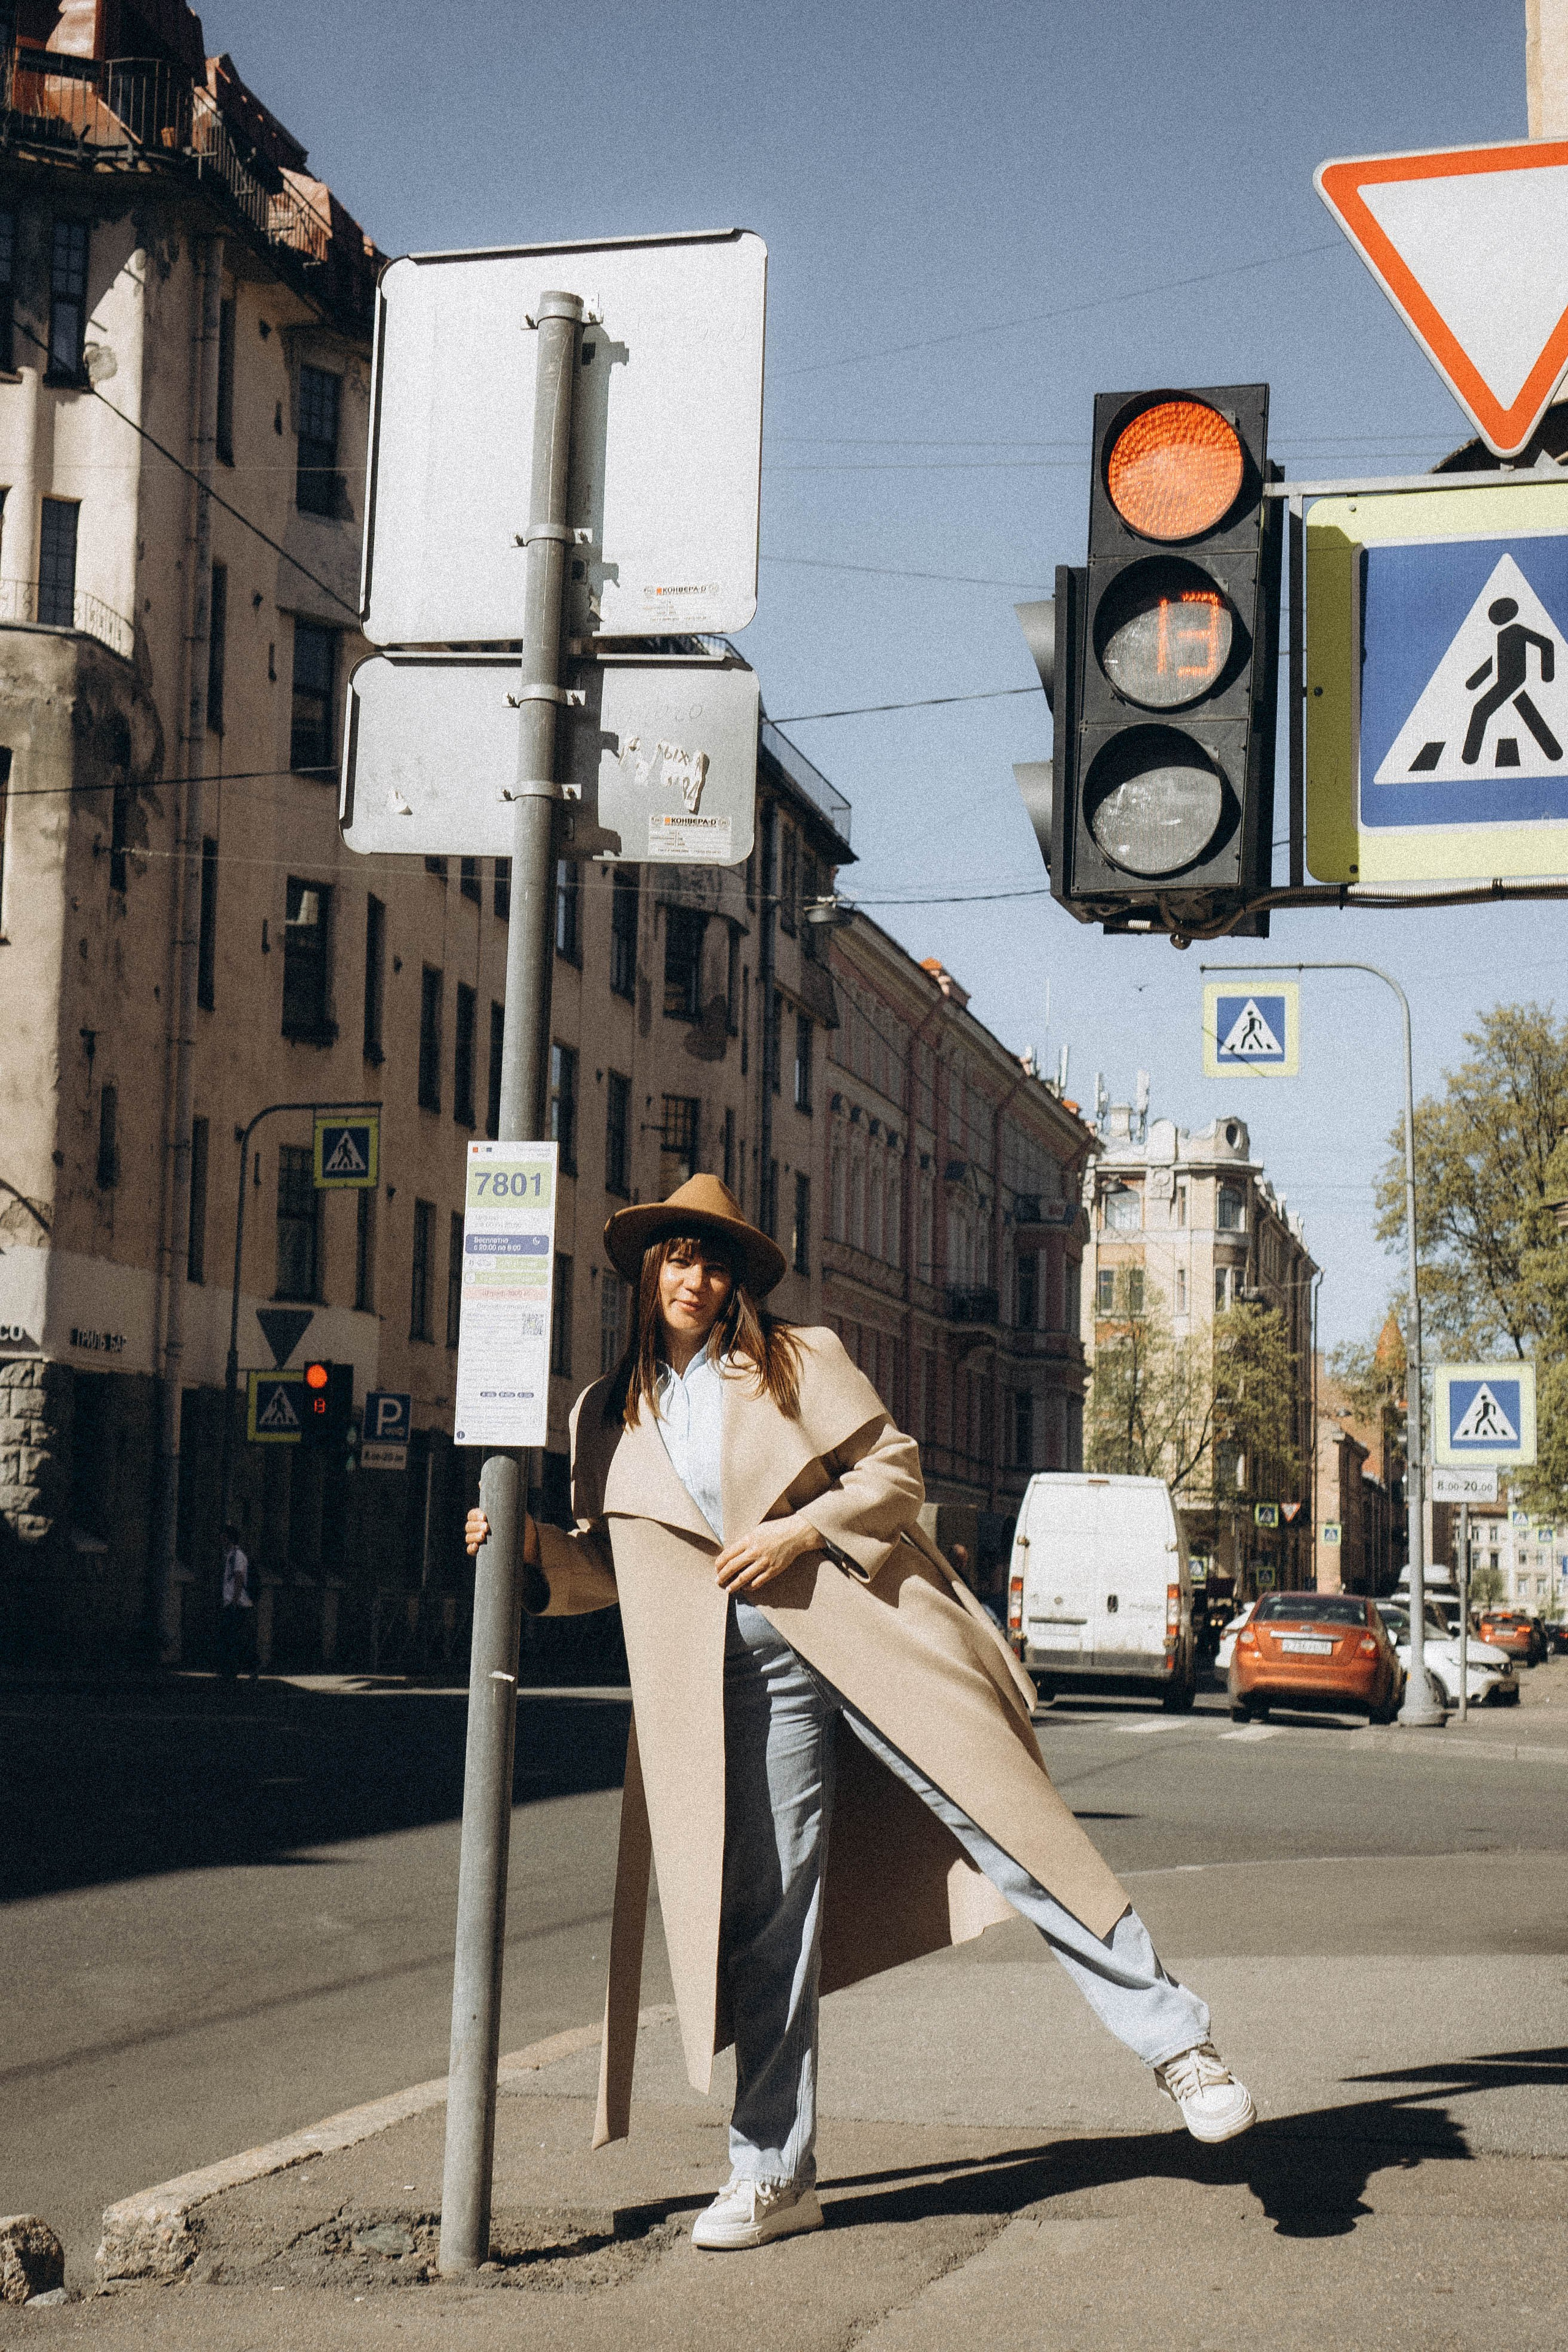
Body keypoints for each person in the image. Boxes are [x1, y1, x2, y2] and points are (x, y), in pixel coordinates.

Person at [465, 1175, 1253, 2253]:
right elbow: (614, 1571)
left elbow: (892, 1474)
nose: (694, 1279)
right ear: (646, 1273)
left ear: (735, 1277)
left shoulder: (797, 1360)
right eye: (675, 1259)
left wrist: (796, 1534)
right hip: (729, 1683)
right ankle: (775, 2171)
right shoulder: (605, 1413)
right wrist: (526, 1547)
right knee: (765, 1914)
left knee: (1009, 1823)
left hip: (859, 1624)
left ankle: (1182, 2048)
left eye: (712, 1260)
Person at [219, 1524, 257, 1683]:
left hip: (239, 1604)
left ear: (229, 1537)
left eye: (223, 1536)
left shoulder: (238, 1556)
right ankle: (233, 1669)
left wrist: (234, 1601)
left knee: (237, 1639)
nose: (221, 1539)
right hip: (231, 1603)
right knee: (233, 1638)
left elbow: (239, 1578)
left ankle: (251, 1666)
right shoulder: (230, 1555)